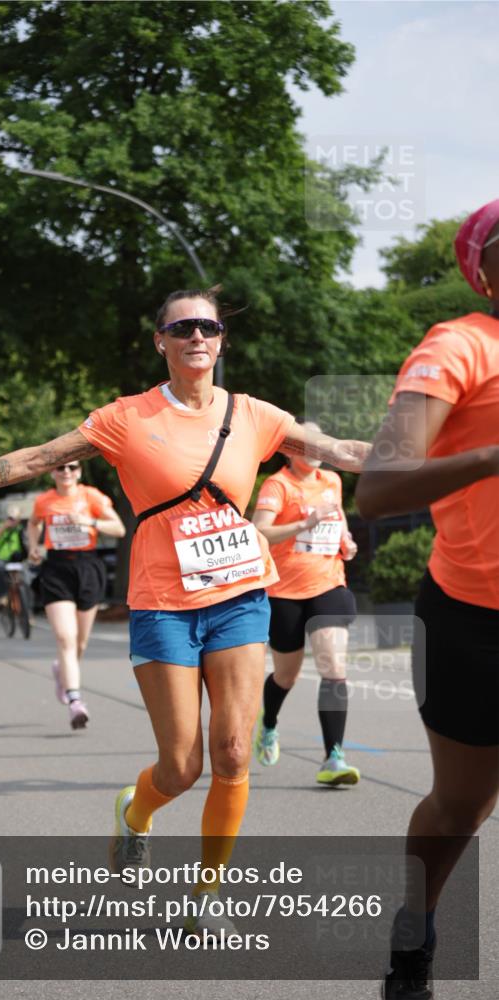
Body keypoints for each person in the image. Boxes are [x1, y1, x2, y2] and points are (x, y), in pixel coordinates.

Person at [0, 287, 368, 933]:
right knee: (181, 765)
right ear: (159, 340)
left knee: (231, 753)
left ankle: (206, 898)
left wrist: (441, 457)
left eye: (208, 327)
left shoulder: (253, 414)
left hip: (240, 595)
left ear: (221, 340)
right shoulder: (125, 418)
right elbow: (34, 458)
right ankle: (137, 813)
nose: (197, 337)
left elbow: (341, 449)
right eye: (182, 327)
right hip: (163, 603)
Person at [355, 199, 499, 1000]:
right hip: (475, 616)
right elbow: (377, 489)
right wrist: (489, 456)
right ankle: (414, 932)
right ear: (484, 268)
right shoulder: (459, 345)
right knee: (461, 802)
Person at [252, 424, 360, 785]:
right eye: (305, 442)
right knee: (287, 674)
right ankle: (268, 724)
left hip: (329, 582)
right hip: (285, 592)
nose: (316, 448)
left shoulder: (332, 480)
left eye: (320, 442)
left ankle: (334, 757)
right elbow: (259, 531)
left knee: (333, 665)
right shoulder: (278, 485)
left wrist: (345, 540)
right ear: (288, 449)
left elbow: (338, 518)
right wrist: (305, 522)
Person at [28, 464, 126, 729]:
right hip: (56, 569)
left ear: (80, 472)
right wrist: (34, 547)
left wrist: (89, 521)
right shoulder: (44, 501)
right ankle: (75, 701)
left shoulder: (91, 496)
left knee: (79, 643)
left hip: (87, 566)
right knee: (65, 638)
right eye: (60, 467)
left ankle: (62, 671)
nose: (66, 471)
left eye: (72, 467)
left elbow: (119, 529)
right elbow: (34, 524)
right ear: (53, 473)